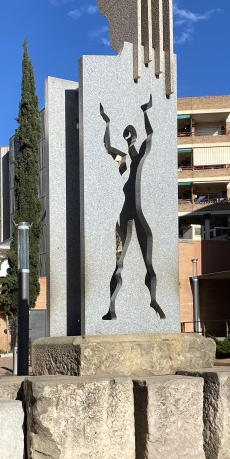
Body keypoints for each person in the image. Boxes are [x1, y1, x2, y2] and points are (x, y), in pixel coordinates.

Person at [100, 95, 165, 320]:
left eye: (131, 136)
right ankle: (111, 307)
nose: (129, 140)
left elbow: (151, 134)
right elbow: (107, 147)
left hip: (141, 212)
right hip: (126, 212)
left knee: (149, 260)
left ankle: (154, 301)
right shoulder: (124, 162)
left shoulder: (141, 158)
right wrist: (106, 122)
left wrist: (146, 112)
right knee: (120, 262)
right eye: (127, 136)